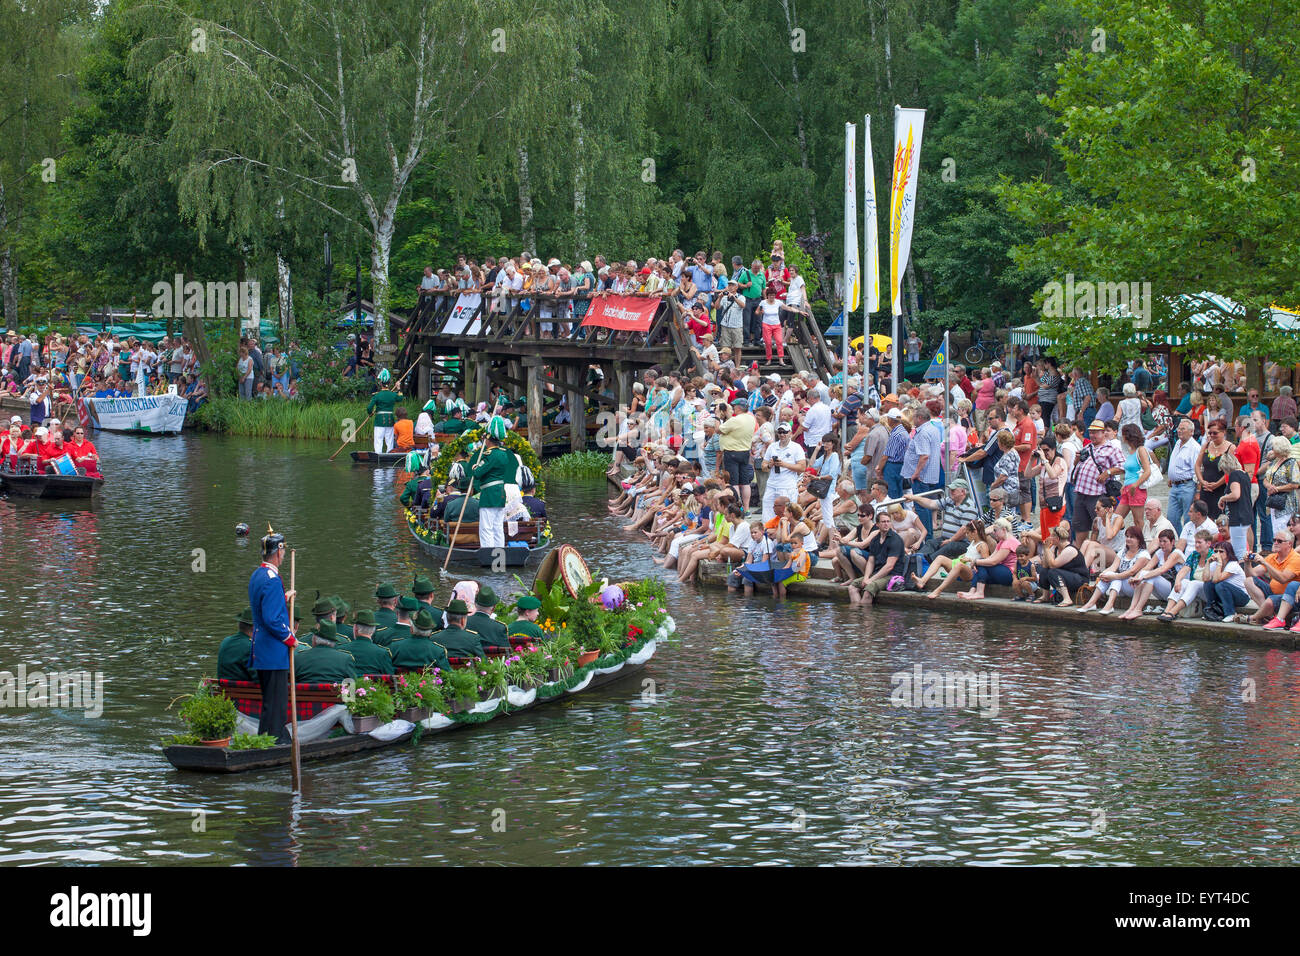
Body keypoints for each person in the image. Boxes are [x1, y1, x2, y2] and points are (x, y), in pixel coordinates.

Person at [247, 527, 296, 743]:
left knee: (269, 701)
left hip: (262, 650)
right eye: (283, 552)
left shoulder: (258, 575)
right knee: (276, 703)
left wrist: (282, 597)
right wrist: (291, 638)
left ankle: (265, 740)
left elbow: (263, 606)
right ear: (278, 552)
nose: (284, 556)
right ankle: (274, 741)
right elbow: (273, 620)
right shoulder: (272, 579)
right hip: (274, 651)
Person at [1076, 526, 1151, 615]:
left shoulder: (1144, 554)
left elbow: (1131, 572)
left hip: (1135, 587)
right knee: (1111, 575)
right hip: (1122, 586)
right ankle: (1091, 603)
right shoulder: (1123, 551)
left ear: (1139, 539)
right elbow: (1113, 567)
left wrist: (1113, 576)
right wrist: (1104, 574)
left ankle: (1109, 604)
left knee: (1115, 578)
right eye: (1127, 536)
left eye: (1132, 537)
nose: (1128, 539)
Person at [469, 419, 516, 550]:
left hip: (489, 494)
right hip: (500, 493)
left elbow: (478, 473)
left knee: (486, 528)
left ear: (488, 439)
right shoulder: (503, 454)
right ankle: (499, 556)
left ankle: (488, 554)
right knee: (497, 527)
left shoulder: (490, 455)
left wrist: (474, 467)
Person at [1121, 529, 1185, 620]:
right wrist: (1136, 578)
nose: (1162, 544)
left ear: (1173, 542)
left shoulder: (1176, 553)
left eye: (1165, 541)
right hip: (1165, 590)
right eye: (1160, 541)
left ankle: (1138, 609)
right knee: (1145, 573)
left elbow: (1162, 569)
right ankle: (1131, 608)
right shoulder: (1160, 552)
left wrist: (1141, 578)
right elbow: (1146, 568)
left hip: (1178, 590)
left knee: (1151, 577)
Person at [847, 509, 905, 607]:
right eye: (883, 522)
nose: (886, 524)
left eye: (888, 521)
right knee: (852, 587)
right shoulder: (875, 539)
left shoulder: (895, 540)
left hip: (891, 575)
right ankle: (856, 615)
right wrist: (866, 577)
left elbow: (889, 566)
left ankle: (866, 619)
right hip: (877, 572)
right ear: (877, 524)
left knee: (869, 589)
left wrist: (871, 580)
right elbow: (871, 561)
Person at [1156, 530, 1216, 622]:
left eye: (1199, 542)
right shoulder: (1194, 555)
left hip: (1209, 592)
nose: (1196, 545)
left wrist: (1207, 563)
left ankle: (1173, 612)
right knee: (1183, 581)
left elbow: (1207, 578)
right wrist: (1177, 581)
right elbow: (1184, 570)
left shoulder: (1213, 557)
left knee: (1194, 583)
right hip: (1194, 590)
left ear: (1208, 543)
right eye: (1195, 542)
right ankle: (1167, 610)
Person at [958, 519, 1019, 601]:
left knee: (981, 563)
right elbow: (990, 558)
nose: (993, 533)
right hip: (1002, 571)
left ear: (1004, 530)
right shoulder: (1002, 541)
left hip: (1011, 574)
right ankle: (972, 591)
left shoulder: (1009, 542)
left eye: (995, 530)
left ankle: (979, 593)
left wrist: (976, 562)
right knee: (982, 563)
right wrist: (976, 562)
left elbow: (994, 561)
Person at [761, 422, 806, 521]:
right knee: (767, 511)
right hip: (772, 484)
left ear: (790, 433)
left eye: (784, 432)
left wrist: (784, 464)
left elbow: (802, 467)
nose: (782, 435)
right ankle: (767, 531)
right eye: (780, 432)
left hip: (787, 486)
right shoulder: (772, 446)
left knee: (788, 513)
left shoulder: (796, 447)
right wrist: (770, 465)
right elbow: (763, 466)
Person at [1166, 418, 1200, 532]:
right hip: (1175, 486)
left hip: (1188, 486)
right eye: (1179, 428)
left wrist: (1198, 491)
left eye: (1182, 429)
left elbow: (1198, 470)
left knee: (1188, 518)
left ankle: (1186, 544)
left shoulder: (1195, 448)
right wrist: (1171, 477)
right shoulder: (1177, 443)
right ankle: (1180, 541)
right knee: (1171, 518)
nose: (1179, 431)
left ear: (1191, 432)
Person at [345, 609, 395, 677]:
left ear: (355, 628)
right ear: (373, 630)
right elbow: (390, 679)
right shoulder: (383, 653)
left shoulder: (341, 650)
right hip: (374, 687)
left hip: (349, 687)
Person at [216, 607, 256, 682]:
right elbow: (260, 678)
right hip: (248, 692)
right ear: (254, 627)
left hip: (225, 691)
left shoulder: (225, 641)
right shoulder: (251, 647)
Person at [468, 585, 510, 654]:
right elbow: (507, 653)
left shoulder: (463, 622)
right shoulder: (500, 628)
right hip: (491, 663)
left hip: (467, 662)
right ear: (493, 608)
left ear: (475, 604)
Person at [367, 370, 400, 453]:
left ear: (380, 383)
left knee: (378, 440)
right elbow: (400, 398)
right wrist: (398, 388)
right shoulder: (393, 394)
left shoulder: (377, 395)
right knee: (389, 440)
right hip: (390, 420)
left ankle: (378, 454)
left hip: (379, 420)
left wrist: (370, 413)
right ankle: (389, 455)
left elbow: (369, 408)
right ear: (389, 383)